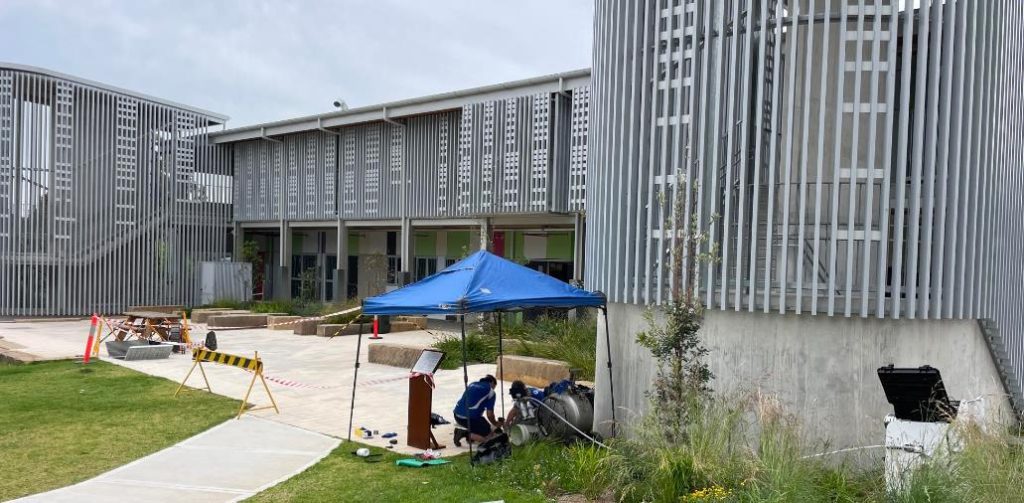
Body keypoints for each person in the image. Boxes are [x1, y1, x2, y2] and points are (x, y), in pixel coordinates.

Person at [453, 375, 503, 445]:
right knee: (489, 435)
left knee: (480, 422)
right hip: (468, 418)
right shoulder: (491, 392)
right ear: (492, 382)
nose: (494, 388)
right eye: (494, 386)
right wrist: (495, 423)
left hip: (457, 415)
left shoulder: (472, 384)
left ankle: (469, 436)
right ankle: (465, 434)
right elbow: (490, 414)